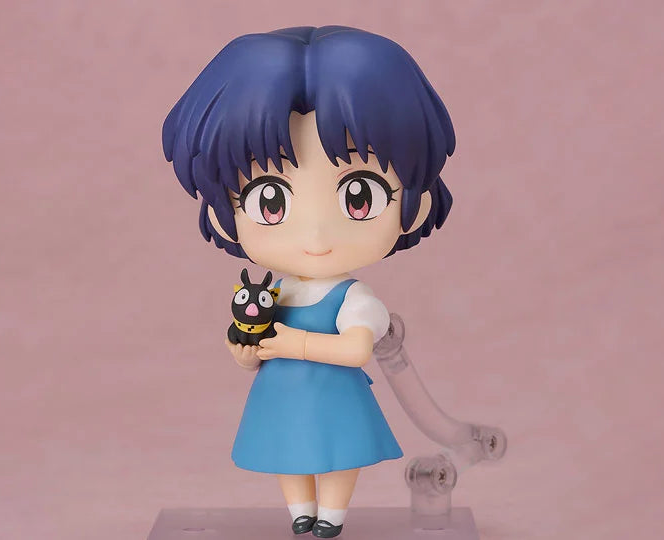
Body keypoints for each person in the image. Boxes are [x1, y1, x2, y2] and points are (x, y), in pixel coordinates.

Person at [162, 25, 455, 538]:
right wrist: (246, 351)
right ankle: (300, 510)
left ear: (416, 201)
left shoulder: (354, 298)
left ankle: (332, 515)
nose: (316, 236)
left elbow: (357, 350)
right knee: (286, 450)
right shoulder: (275, 293)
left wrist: (291, 343)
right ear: (224, 212)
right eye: (270, 199)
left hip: (335, 395)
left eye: (358, 196)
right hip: (280, 394)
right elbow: (251, 348)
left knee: (339, 453)